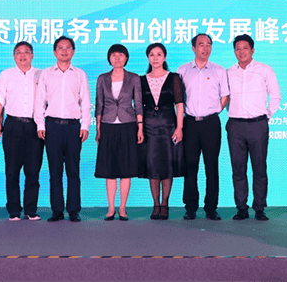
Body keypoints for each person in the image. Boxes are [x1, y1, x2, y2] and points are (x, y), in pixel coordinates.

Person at [35, 36, 91, 223]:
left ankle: (74, 210)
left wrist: (85, 126)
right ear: (54, 52)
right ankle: (57, 210)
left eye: (68, 48)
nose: (64, 51)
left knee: (73, 170)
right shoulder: (46, 74)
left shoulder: (80, 74)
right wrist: (40, 125)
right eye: (60, 47)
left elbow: (86, 102)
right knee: (55, 171)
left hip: (73, 127)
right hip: (52, 127)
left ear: (73, 51)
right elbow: (40, 102)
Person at [227, 34, 281, 221]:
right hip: (235, 125)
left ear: (252, 50)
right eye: (238, 49)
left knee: (259, 168)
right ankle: (241, 208)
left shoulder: (264, 70)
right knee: (238, 169)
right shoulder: (229, 72)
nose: (241, 52)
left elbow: (275, 95)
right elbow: (225, 97)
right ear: (234, 52)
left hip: (258, 125)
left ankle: (259, 208)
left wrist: (267, 115)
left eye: (245, 48)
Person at [177, 33, 230, 221]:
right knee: (190, 166)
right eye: (201, 44)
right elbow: (179, 99)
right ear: (193, 48)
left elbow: (225, 96)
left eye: (209, 44)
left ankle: (211, 208)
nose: (205, 48)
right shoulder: (183, 70)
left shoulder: (219, 70)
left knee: (211, 166)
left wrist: (214, 110)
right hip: (190, 123)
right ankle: (190, 207)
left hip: (211, 123)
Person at [0, 41, 43, 221]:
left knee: (33, 170)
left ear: (32, 55)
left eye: (26, 52)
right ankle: (14, 210)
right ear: (14, 56)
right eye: (18, 52)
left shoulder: (41, 75)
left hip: (34, 126)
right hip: (13, 125)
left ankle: (31, 209)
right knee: (12, 170)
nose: (23, 55)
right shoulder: (6, 75)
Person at [94, 44, 143, 221]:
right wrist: (98, 128)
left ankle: (122, 207)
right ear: (109, 58)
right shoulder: (102, 78)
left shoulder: (134, 78)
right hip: (107, 125)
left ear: (126, 58)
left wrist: (140, 127)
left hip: (128, 124)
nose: (117, 58)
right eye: (114, 55)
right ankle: (111, 207)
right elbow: (99, 104)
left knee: (126, 168)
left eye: (121, 55)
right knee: (109, 168)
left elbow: (138, 104)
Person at [138, 43, 184, 220]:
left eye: (159, 54)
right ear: (148, 58)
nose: (155, 58)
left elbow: (179, 104)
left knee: (167, 166)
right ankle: (155, 204)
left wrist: (179, 128)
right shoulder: (141, 80)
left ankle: (165, 204)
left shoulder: (174, 78)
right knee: (152, 167)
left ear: (164, 57)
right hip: (149, 128)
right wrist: (140, 127)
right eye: (152, 54)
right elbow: (139, 107)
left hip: (168, 127)